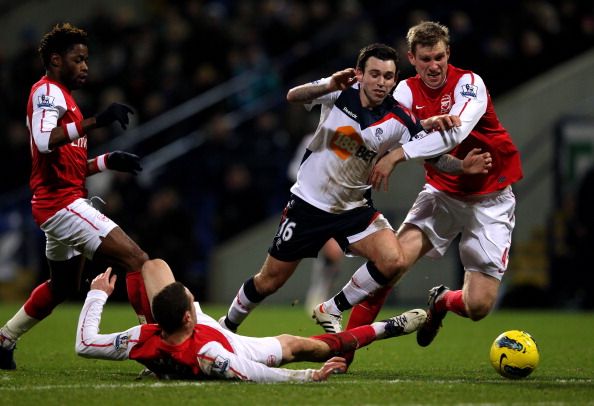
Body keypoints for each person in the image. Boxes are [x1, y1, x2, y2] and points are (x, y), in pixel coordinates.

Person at [218, 42, 492, 333]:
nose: (381, 82)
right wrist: (326, 85)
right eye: (374, 74)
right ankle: (227, 325)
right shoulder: (339, 92)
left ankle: (331, 308)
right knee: (269, 281)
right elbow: (292, 96)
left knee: (393, 260)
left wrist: (462, 167)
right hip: (308, 205)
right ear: (360, 74)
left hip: (353, 209)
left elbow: (434, 156)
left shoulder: (400, 118)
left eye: (388, 77)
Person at [333, 22, 523, 359]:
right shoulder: (404, 93)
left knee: (478, 306)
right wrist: (338, 134)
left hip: (491, 199)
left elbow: (455, 134)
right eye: (425, 59)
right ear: (412, 58)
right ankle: (343, 350)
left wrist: (396, 156)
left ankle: (442, 301)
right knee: (390, 265)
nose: (433, 66)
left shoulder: (469, 84)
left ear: (448, 53)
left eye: (439, 57)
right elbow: (427, 153)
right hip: (442, 194)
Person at [0, 23, 153, 370]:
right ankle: (155, 346)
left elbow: (68, 165)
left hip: (57, 201)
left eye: (87, 59)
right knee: (136, 259)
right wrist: (98, 121)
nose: (85, 66)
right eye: (78, 59)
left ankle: (4, 339)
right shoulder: (48, 93)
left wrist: (107, 160)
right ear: (56, 60)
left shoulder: (63, 98)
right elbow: (43, 141)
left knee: (62, 286)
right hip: (61, 204)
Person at [75, 258, 428, 382]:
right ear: (187, 315)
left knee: (151, 266)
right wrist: (307, 376)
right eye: (191, 300)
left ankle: (157, 363)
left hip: (176, 333)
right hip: (241, 347)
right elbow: (256, 374)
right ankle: (386, 328)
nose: (194, 297)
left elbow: (85, 343)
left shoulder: (143, 336)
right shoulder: (210, 354)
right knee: (313, 347)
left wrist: (97, 294)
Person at [287, 133, 344, 312]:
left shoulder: (346, 140)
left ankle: (320, 294)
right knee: (329, 251)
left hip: (337, 203)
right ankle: (318, 294)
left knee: (334, 253)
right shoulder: (311, 140)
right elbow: (293, 169)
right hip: (310, 202)